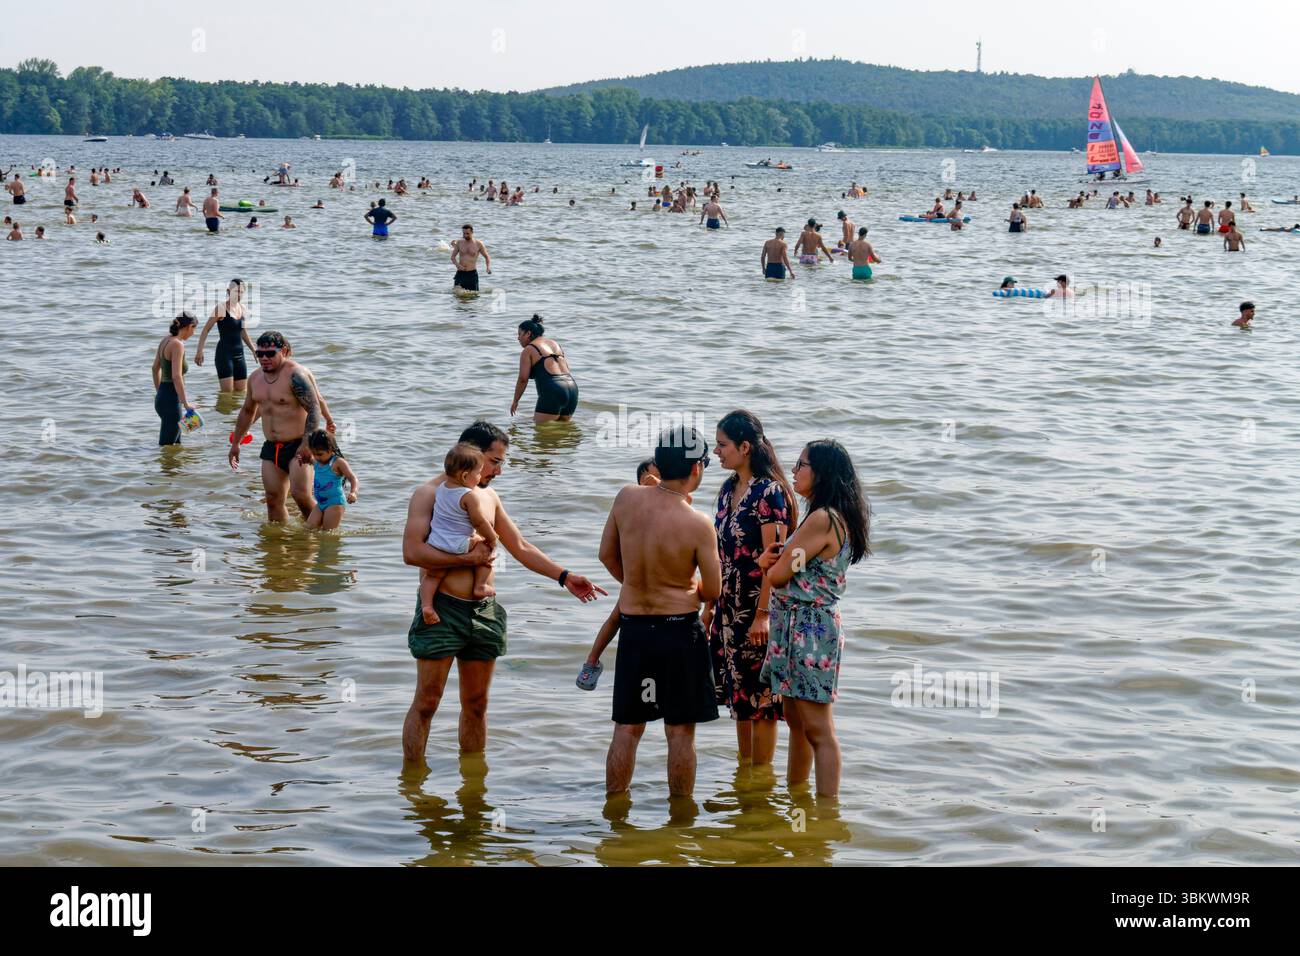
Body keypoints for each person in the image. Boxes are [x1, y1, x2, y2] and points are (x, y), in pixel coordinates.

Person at [401, 421, 606, 763]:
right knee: (427, 701)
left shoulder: (488, 497)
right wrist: (466, 557)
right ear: (471, 454)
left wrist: (565, 576)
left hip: (484, 612)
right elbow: (412, 552)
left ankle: (473, 792)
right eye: (494, 461)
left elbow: (520, 546)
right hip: (441, 609)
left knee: (477, 704)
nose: (498, 471)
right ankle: (413, 785)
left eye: (500, 463)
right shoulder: (428, 494)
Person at [600, 425, 722, 798]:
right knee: (680, 732)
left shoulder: (625, 498)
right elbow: (713, 590)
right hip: (679, 632)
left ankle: (615, 813)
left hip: (636, 630)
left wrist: (636, 583)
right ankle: (680, 820)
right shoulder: (699, 524)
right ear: (696, 470)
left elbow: (605, 554)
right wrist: (686, 590)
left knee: (627, 727)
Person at [757, 439, 870, 798]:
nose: (794, 470)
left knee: (817, 727)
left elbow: (778, 575)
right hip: (799, 625)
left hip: (809, 628)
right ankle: (798, 799)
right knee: (797, 722)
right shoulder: (832, 516)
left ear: (820, 473)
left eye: (801, 464)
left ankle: (825, 812)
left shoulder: (823, 518)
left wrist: (767, 563)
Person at [705, 411, 796, 766]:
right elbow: (718, 552)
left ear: (745, 447)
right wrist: (711, 607)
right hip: (729, 608)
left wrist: (762, 616)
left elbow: (775, 561)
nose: (716, 452)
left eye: (722, 445)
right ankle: (747, 777)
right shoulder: (729, 490)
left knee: (762, 701)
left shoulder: (769, 494)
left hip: (759, 610)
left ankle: (761, 777)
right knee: (738, 697)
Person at [577, 458, 661, 690]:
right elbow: (607, 554)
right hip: (636, 581)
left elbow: (606, 554)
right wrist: (628, 581)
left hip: (654, 583)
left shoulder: (671, 506)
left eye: (659, 480)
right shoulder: (635, 510)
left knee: (623, 618)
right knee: (616, 617)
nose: (653, 486)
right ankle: (592, 660)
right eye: (646, 482)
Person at [228, 331, 323, 523]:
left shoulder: (295, 375)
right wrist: (236, 442)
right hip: (272, 448)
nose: (264, 358)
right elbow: (247, 411)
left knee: (301, 496)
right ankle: (276, 547)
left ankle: (319, 537)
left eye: (270, 354)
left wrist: (306, 444)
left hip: (298, 445)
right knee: (272, 500)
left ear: (284, 351)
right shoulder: (255, 378)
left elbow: (314, 409)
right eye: (259, 354)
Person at [418, 442, 499, 625]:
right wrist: (492, 538)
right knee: (485, 550)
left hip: (437, 543)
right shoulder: (469, 496)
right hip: (458, 544)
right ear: (464, 475)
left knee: (432, 576)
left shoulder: (440, 489)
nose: (479, 477)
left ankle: (427, 606)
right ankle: (481, 586)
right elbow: (479, 522)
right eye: (478, 473)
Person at [510, 314, 578, 423]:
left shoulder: (529, 349)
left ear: (528, 333)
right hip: (572, 388)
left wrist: (515, 401)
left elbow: (523, 379)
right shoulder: (555, 344)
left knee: (542, 433)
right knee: (562, 432)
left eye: (519, 334)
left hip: (553, 390)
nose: (518, 338)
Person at [194, 279, 254, 393]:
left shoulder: (243, 309)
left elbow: (243, 331)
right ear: (228, 291)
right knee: (226, 395)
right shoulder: (221, 308)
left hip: (240, 355)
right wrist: (200, 351)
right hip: (224, 355)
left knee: (241, 394)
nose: (239, 294)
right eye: (236, 291)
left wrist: (253, 349)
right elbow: (206, 329)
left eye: (241, 292)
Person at [151, 313, 198, 446]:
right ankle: (165, 467)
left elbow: (154, 369)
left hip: (163, 398)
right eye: (194, 329)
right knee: (167, 447)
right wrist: (186, 403)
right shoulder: (178, 345)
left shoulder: (165, 340)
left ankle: (175, 467)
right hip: (171, 401)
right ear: (189, 327)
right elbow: (176, 377)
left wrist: (160, 392)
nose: (193, 333)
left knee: (175, 446)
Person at [306, 429, 359, 530]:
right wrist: (305, 459)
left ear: (330, 449)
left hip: (335, 503)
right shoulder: (317, 462)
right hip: (321, 503)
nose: (316, 457)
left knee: (328, 534)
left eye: (320, 454)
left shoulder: (338, 463)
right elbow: (310, 460)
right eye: (314, 454)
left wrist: (353, 493)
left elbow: (353, 478)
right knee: (309, 528)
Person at [451, 223, 491, 293]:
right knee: (457, 294)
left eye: (467, 233)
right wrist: (458, 265)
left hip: (472, 274)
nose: (465, 235)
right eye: (463, 233)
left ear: (472, 232)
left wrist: (487, 268)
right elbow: (452, 257)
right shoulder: (459, 242)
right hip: (460, 273)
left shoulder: (478, 244)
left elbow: (487, 257)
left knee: (473, 296)